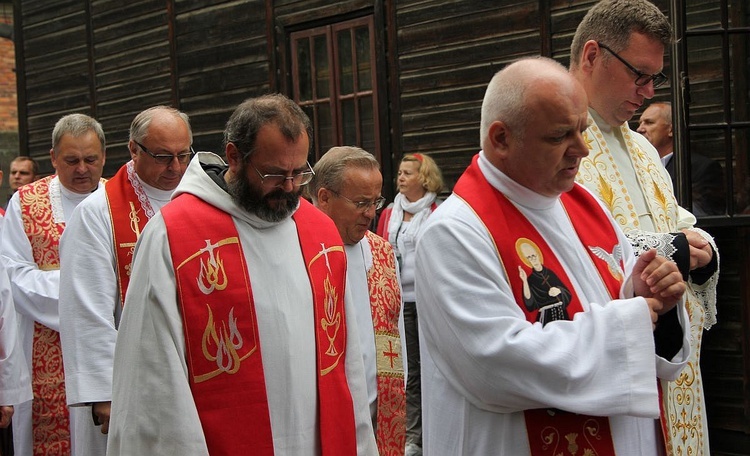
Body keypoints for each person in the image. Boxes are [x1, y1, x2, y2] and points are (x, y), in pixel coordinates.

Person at [415, 56, 690, 455]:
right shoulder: (455, 233)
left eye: (581, 129)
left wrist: (648, 295)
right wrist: (628, 322)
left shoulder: (586, 204)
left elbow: (626, 307)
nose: (582, 149)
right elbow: (495, 364)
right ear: (501, 139)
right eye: (559, 136)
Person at [106, 94, 377, 455]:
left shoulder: (320, 233)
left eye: (300, 172)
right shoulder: (172, 237)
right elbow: (154, 382)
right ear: (234, 157)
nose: (290, 187)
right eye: (275, 174)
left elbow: (346, 365)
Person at [569, 1, 719, 453]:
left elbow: (681, 222)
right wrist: (674, 246)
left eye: (655, 77)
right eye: (639, 74)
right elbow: (573, 242)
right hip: (614, 354)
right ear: (592, 56)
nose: (649, 90)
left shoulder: (642, 148)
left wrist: (704, 251)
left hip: (674, 351)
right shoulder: (556, 140)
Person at [58, 106, 193, 449]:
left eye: (183, 155)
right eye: (163, 156)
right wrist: (104, 393)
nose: (175, 167)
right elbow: (86, 309)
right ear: (133, 149)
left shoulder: (200, 198)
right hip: (127, 383)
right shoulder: (97, 213)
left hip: (192, 367)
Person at [0, 114, 106, 455]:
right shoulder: (26, 203)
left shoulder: (118, 202)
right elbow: (14, 275)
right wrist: (91, 295)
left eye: (90, 160)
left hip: (109, 344)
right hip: (44, 345)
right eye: (71, 160)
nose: (81, 169)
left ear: (104, 156)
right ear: (52, 158)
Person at [310, 146, 406, 455]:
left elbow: (396, 328)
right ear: (324, 197)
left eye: (376, 201)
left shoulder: (381, 251)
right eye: (361, 203)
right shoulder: (299, 249)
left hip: (381, 414)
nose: (371, 213)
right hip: (324, 418)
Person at [375, 152, 442, 456]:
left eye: (407, 173)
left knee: (421, 369)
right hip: (394, 301)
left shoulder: (436, 211)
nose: (400, 178)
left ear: (424, 178)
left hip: (424, 301)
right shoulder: (390, 212)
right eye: (399, 172)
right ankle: (407, 431)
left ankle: (422, 432)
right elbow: (378, 249)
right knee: (400, 368)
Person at [637, 101, 725, 216]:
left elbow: (704, 214)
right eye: (640, 123)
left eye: (649, 123)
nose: (639, 129)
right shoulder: (636, 165)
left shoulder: (700, 168)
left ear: (671, 130)